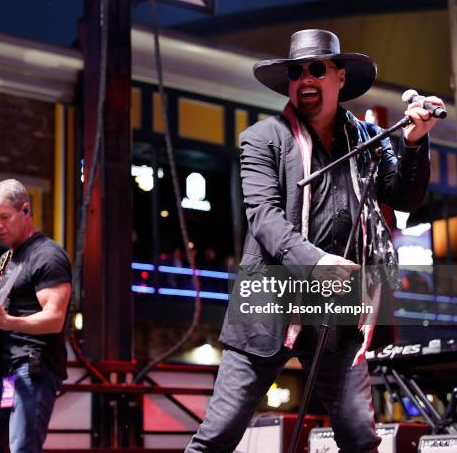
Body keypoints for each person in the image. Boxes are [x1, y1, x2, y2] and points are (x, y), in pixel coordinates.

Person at [185, 29, 443, 452]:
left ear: (339, 77)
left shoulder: (367, 139)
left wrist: (415, 142)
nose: (305, 79)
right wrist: (317, 262)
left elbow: (404, 197)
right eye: (296, 71)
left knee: (360, 437)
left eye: (317, 69)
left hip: (336, 312)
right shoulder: (262, 138)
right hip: (270, 304)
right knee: (216, 436)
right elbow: (264, 219)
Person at [0, 179, 72, 453]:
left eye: (4, 217)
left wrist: (5, 321)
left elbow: (54, 319)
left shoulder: (48, 255)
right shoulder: (9, 259)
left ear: (25, 211)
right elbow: (4, 311)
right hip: (2, 373)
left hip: (30, 368)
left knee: (22, 447)